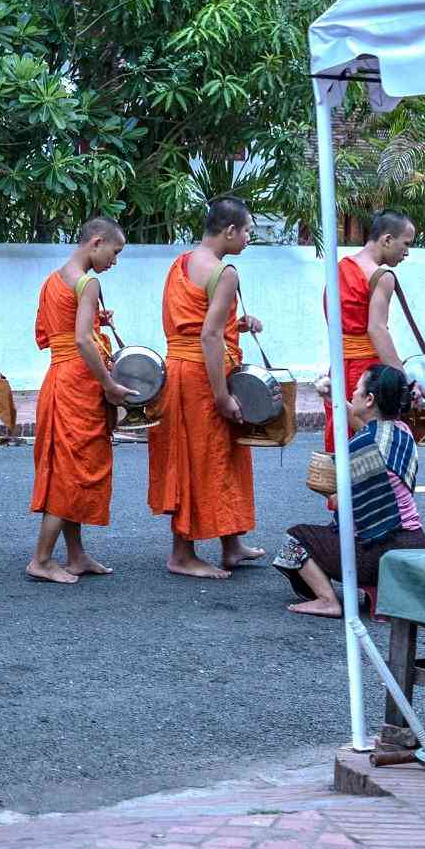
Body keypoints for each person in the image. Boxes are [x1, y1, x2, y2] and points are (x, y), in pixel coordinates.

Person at [146, 196, 266, 579]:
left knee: (217, 456)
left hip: (177, 371)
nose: (249, 238)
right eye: (247, 231)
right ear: (230, 231)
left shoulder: (181, 263)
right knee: (201, 459)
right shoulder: (225, 272)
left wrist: (238, 323)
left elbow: (191, 322)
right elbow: (210, 335)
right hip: (204, 377)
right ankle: (182, 554)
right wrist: (221, 395)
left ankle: (232, 542)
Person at [26, 218, 137, 584]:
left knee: (66, 465)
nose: (115, 261)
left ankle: (76, 555)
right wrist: (108, 384)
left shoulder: (55, 279)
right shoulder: (89, 282)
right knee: (70, 472)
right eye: (115, 252)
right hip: (79, 381)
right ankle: (41, 559)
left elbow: (51, 334)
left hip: (58, 378)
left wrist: (93, 321)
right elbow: (83, 341)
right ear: (96, 242)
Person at [278, 365, 425, 617]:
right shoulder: (401, 432)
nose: (353, 394)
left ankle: (328, 601)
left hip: (378, 552)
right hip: (415, 542)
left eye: (357, 390)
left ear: (370, 399)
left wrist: (325, 491)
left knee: (295, 539)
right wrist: (332, 399)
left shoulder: (362, 447)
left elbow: (345, 504)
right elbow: (367, 425)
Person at [322, 210, 414, 450]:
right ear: (386, 240)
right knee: (373, 444)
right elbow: (377, 329)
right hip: (368, 374)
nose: (407, 253)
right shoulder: (381, 277)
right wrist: (403, 379)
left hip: (339, 368)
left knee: (343, 442)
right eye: (405, 244)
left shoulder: (339, 268)